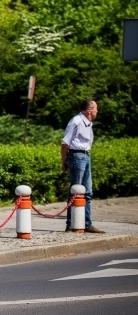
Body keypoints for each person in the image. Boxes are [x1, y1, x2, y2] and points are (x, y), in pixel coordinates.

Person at [61, 100, 104, 233]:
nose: (97, 111)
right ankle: (70, 223)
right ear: (89, 109)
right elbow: (65, 143)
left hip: (86, 156)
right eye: (96, 108)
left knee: (88, 191)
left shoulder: (88, 123)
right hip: (77, 156)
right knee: (76, 190)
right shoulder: (76, 121)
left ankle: (87, 223)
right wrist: (64, 160)